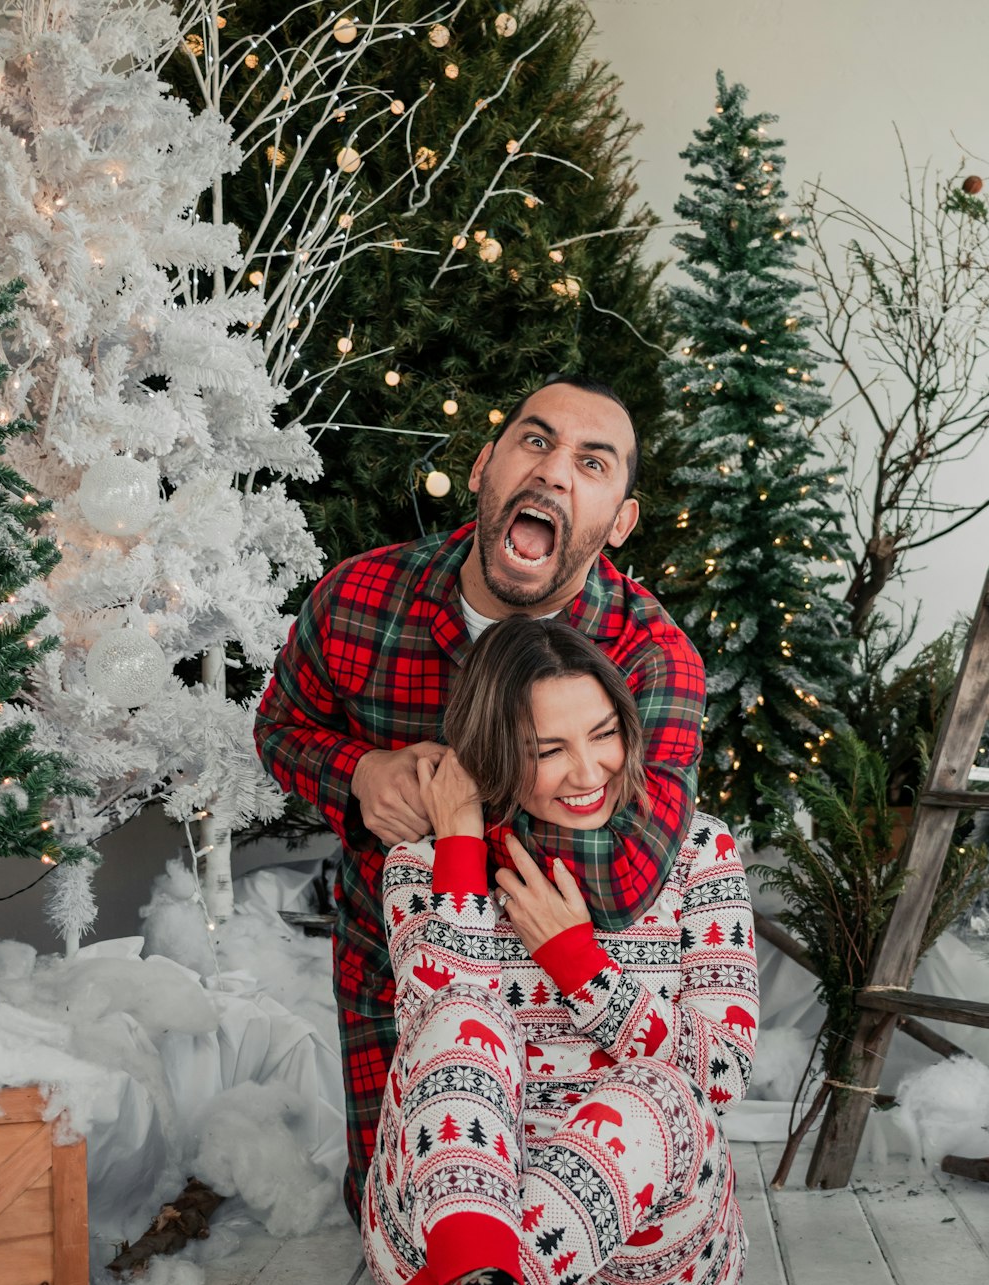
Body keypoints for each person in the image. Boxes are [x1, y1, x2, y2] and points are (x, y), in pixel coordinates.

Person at [213, 619, 757, 1285]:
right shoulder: (420, 864)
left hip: (646, 1269)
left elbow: (721, 1076)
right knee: (459, 1022)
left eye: (605, 734)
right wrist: (460, 837)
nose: (588, 773)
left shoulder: (697, 850)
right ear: (497, 753)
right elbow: (439, 1021)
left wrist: (579, 964)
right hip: (452, 1212)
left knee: (662, 1091)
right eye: (548, 750)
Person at [254, 375, 706, 1225]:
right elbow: (282, 726)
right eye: (535, 442)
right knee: (409, 1232)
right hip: (396, 979)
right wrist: (359, 774)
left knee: (571, 1246)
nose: (555, 473)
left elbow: (623, 877)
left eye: (593, 462)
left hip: (573, 1003)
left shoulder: (652, 658)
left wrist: (461, 817)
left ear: (619, 522)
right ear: (484, 467)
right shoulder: (358, 600)